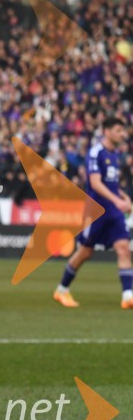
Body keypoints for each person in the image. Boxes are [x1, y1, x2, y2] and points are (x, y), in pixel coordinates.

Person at [54, 116, 132, 309]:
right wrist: (117, 200)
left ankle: (128, 296)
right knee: (85, 252)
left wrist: (123, 197)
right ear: (106, 131)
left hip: (113, 211)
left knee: (123, 248)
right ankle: (61, 290)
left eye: (123, 131)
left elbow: (111, 184)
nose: (122, 134)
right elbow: (95, 183)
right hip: (95, 210)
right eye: (118, 130)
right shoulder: (96, 152)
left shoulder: (114, 155)